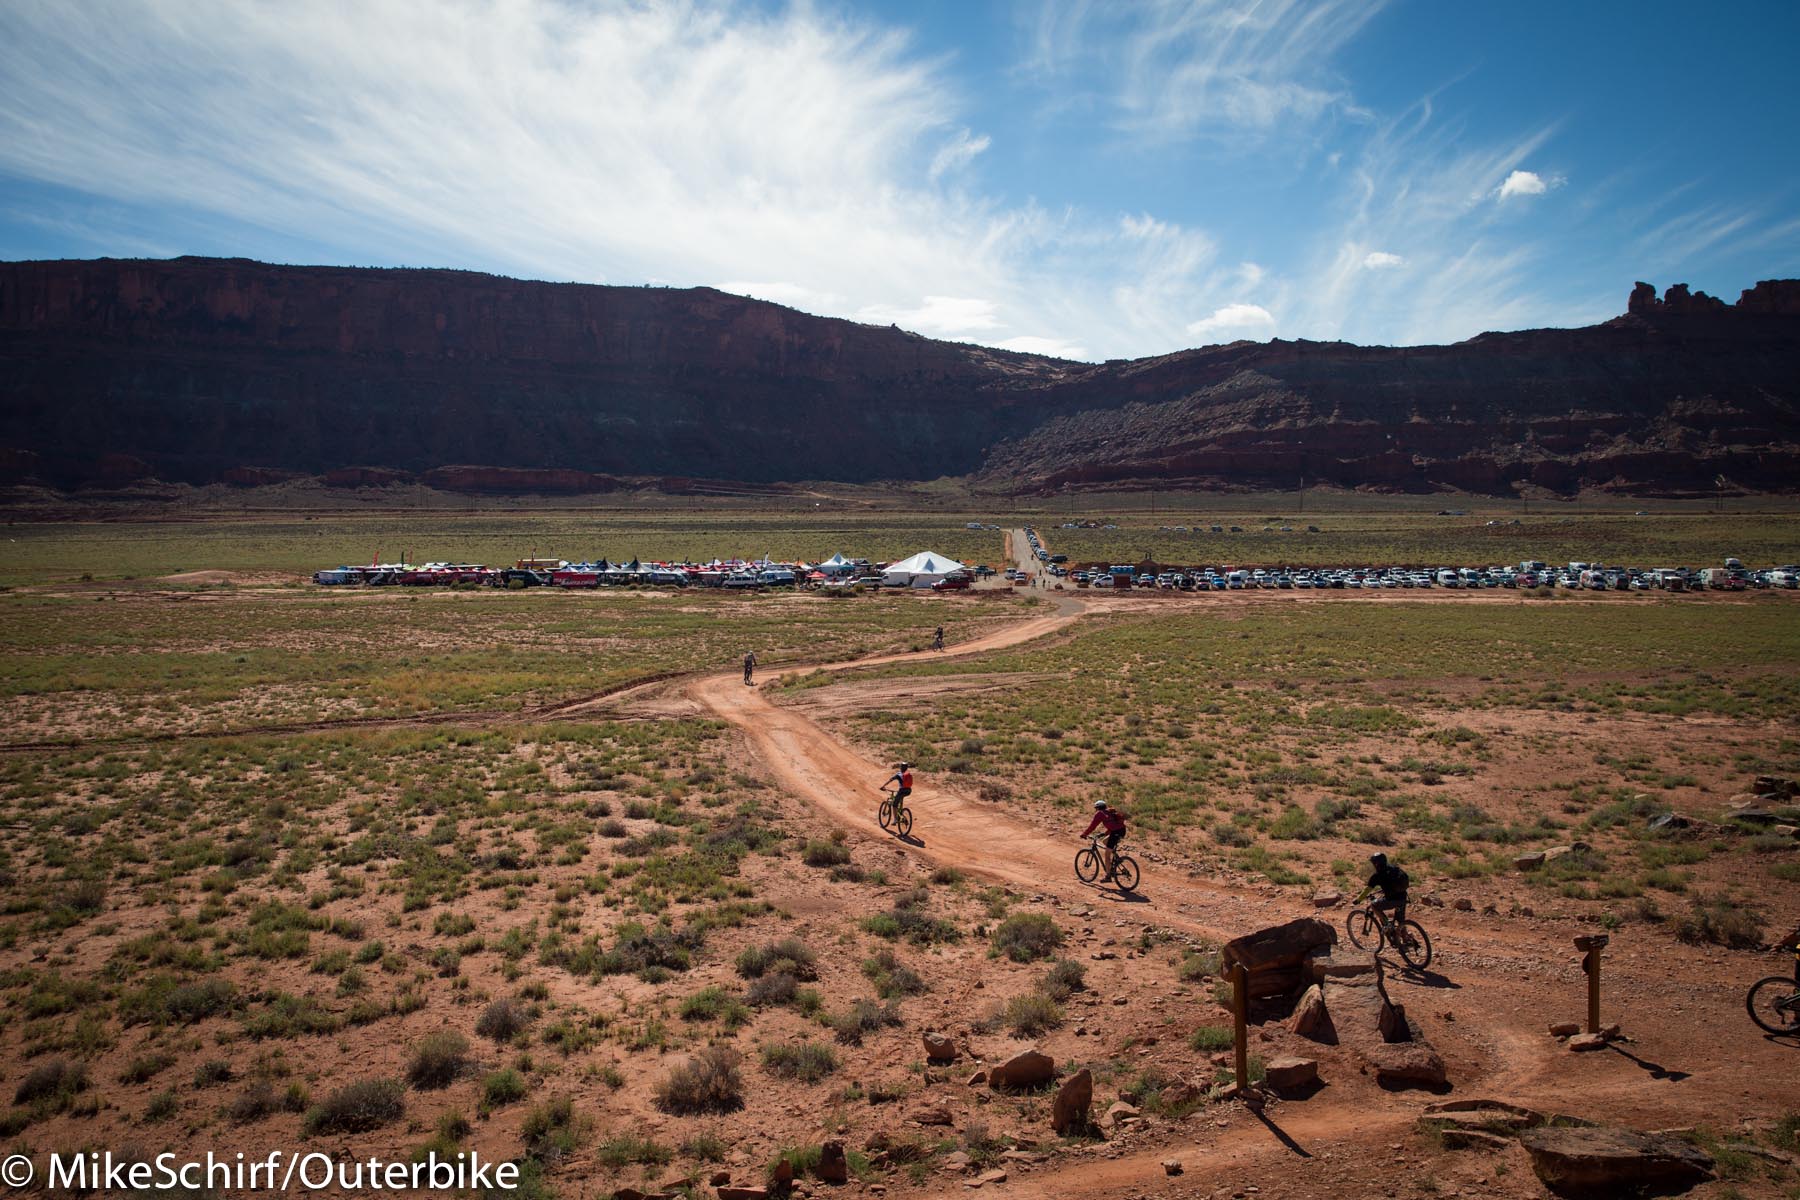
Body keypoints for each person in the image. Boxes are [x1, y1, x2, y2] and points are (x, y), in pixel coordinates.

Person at [1357, 852, 1410, 929]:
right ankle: (1406, 938)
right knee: (1400, 922)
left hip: (1392, 900)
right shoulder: (1394, 869)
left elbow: (1367, 890)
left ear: (1376, 864)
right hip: (1403, 898)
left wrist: (1358, 899)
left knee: (1374, 905)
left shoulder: (1376, 876)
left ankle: (1386, 924)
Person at [1079, 800, 1127, 880]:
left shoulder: (1100, 814)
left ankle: (1108, 877)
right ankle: (1116, 859)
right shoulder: (1109, 812)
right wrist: (1104, 834)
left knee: (1107, 855)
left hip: (1116, 832)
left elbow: (1092, 826)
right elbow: (1113, 825)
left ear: (1097, 808)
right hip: (1122, 830)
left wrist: (1085, 834)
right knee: (1105, 841)